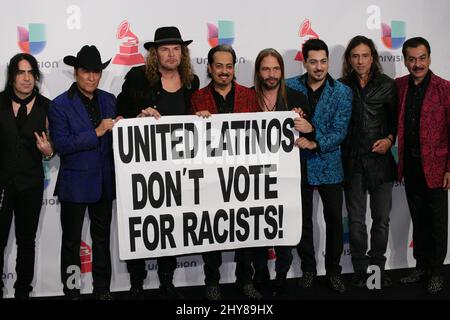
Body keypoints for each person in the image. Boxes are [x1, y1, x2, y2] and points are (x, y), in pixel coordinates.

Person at [117, 26, 199, 300]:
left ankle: (167, 280)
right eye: (165, 49)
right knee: (141, 222)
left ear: (183, 53)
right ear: (155, 53)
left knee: (171, 224)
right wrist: (138, 114)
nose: (171, 54)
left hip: (177, 170)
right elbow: (120, 113)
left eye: (176, 49)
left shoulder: (191, 82)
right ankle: (137, 282)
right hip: (142, 168)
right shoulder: (138, 77)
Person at [48, 45, 119, 300]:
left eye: (97, 72)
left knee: (102, 242)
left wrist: (133, 123)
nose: (91, 77)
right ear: (76, 72)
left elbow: (119, 138)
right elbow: (62, 145)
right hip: (74, 185)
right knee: (71, 244)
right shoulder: (59, 105)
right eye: (86, 71)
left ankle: (103, 290)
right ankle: (72, 291)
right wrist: (97, 132)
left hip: (104, 183)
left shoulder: (109, 100)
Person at [191, 44, 261, 300]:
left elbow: (260, 134)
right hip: (210, 177)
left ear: (234, 68)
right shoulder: (197, 98)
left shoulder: (249, 96)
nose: (224, 71)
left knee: (244, 231)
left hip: (243, 177)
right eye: (218, 66)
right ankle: (212, 282)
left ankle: (246, 280)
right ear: (209, 68)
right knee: (212, 231)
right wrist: (196, 122)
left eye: (228, 66)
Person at [286, 38, 352, 294]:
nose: (319, 67)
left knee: (335, 220)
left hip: (329, 164)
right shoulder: (289, 86)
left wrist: (316, 140)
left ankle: (334, 271)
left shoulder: (342, 92)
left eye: (323, 61)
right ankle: (308, 270)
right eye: (313, 62)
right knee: (303, 221)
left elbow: (340, 131)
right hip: (298, 165)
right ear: (304, 62)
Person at [251, 48, 309, 297]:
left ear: (282, 71)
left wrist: (307, 127)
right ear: (258, 72)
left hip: (287, 177)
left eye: (276, 69)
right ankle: (261, 275)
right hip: (254, 176)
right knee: (257, 230)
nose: (271, 74)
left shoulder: (297, 98)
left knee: (284, 227)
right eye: (266, 68)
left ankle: (282, 275)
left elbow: (309, 134)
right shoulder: (247, 99)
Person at [340, 36, 397, 288]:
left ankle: (377, 269)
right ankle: (361, 271)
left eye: (364, 55)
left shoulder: (388, 85)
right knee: (355, 220)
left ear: (372, 57)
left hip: (381, 164)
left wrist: (389, 138)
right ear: (349, 59)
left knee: (381, 219)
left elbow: (398, 123)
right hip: (352, 163)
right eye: (355, 56)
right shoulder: (340, 86)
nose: (360, 61)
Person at [396, 37, 450, 294]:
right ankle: (421, 267)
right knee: (419, 220)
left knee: (437, 222)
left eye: (422, 58)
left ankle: (437, 272)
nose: (417, 64)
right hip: (410, 166)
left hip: (438, 168)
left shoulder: (444, 88)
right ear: (405, 60)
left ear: (429, 58)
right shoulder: (400, 86)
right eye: (412, 59)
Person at [0, 53, 53, 299]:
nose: (26, 78)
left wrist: (48, 151)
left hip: (30, 185)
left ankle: (23, 291)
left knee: (26, 241)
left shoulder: (46, 107)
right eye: (21, 72)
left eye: (31, 72)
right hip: (1, 185)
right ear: (12, 77)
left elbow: (53, 148)